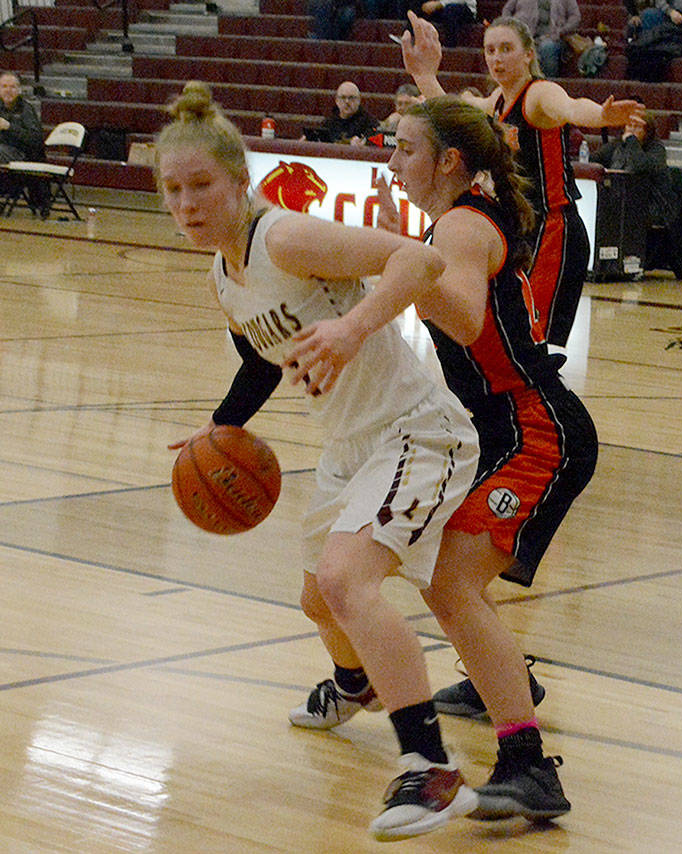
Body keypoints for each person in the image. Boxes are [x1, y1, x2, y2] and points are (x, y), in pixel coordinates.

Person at [155, 81, 482, 841]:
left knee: (345, 580)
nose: (187, 205)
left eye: (202, 186)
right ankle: (356, 682)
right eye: (173, 191)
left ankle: (431, 770)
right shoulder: (225, 275)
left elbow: (420, 258)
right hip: (350, 445)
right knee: (318, 600)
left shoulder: (285, 237)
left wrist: (354, 326)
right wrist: (219, 427)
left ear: (239, 181)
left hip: (417, 429)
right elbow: (260, 361)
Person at [287, 95, 599, 821]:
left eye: (406, 149)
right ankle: (501, 702)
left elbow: (462, 315)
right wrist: (407, 259)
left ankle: (527, 765)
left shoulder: (459, 225)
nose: (392, 161)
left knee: (451, 586)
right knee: (439, 584)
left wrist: (405, 273)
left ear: (448, 161)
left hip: (534, 429)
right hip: (495, 431)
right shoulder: (457, 220)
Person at [401, 12, 642, 346]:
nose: (496, 58)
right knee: (510, 342)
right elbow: (453, 115)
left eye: (506, 49)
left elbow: (571, 107)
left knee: (535, 345)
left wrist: (601, 115)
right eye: (490, 50)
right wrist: (424, 74)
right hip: (521, 231)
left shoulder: (539, 94)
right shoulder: (496, 102)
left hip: (554, 231)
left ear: (529, 54)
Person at [589, 111, 682, 275]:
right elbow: (595, 158)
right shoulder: (619, 145)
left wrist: (632, 141)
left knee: (621, 214)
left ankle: (625, 263)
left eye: (637, 127)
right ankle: (604, 263)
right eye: (629, 125)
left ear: (648, 131)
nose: (631, 130)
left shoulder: (656, 149)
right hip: (627, 201)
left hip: (654, 205)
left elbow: (640, 165)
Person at [0, 70, 51, 217]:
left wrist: (9, 127)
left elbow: (35, 140)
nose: (8, 90)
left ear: (19, 90)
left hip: (21, 153)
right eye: (4, 86)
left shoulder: (26, 109)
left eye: (12, 87)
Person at [501, 0, 582, 78]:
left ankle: (547, 82)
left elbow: (575, 16)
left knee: (547, 47)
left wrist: (562, 30)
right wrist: (512, 27)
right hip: (524, 36)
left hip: (554, 38)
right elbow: (507, 10)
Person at [313, 81, 381, 144]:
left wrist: (364, 143)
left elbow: (377, 143)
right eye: (343, 97)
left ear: (359, 100)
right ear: (336, 101)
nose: (347, 102)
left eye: (351, 98)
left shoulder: (370, 123)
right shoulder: (328, 123)